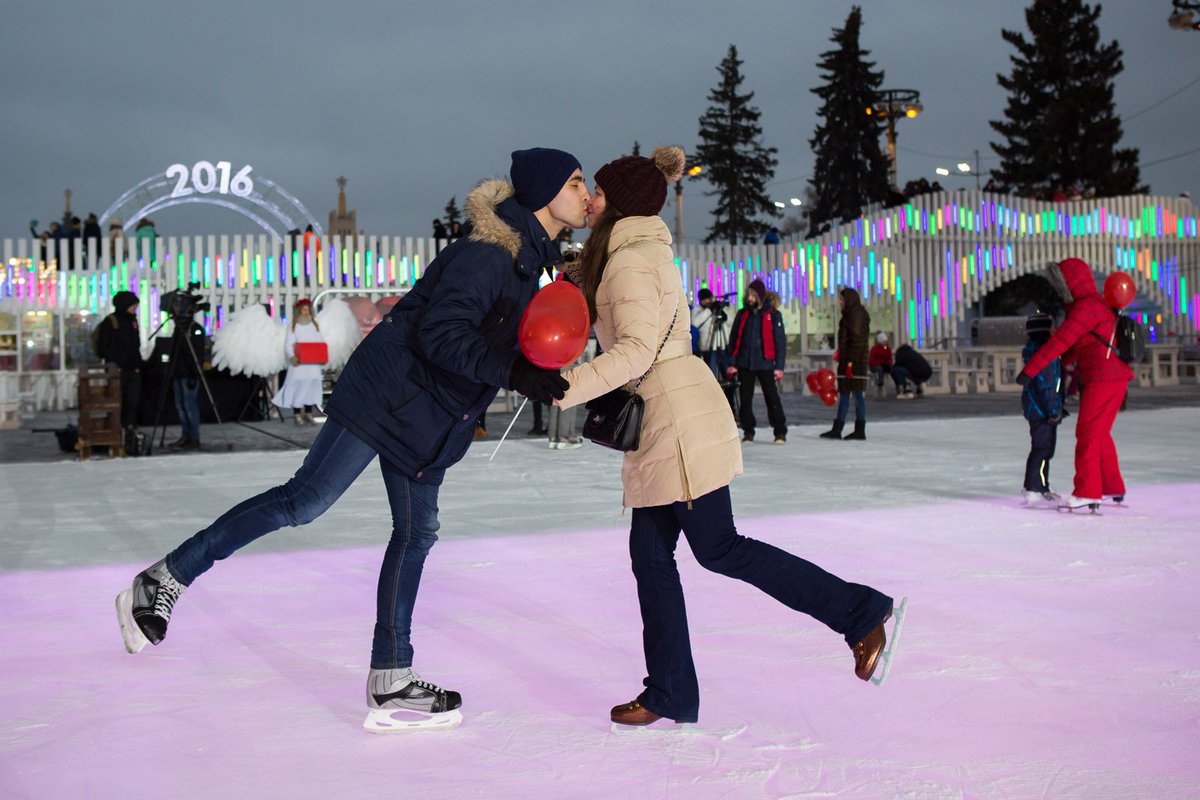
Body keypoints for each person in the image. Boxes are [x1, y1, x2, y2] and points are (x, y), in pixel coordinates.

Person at [114, 148, 588, 733]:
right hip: (388, 394)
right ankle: (165, 576)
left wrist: (530, 364)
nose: (584, 192)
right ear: (543, 192)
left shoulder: (527, 262)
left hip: (430, 413)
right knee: (305, 500)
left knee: (417, 533)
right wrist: (514, 372)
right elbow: (442, 335)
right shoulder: (489, 253)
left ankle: (390, 678)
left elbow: (503, 336)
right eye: (574, 181)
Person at [556, 146, 899, 728]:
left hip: (676, 423)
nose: (589, 199)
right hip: (667, 417)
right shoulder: (629, 252)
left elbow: (637, 348)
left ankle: (858, 612)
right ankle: (670, 691)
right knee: (651, 555)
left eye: (599, 192)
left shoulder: (630, 261)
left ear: (621, 203)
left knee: (719, 548)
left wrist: (563, 387)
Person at [1019, 257, 1133, 511]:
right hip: (1112, 377)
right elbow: (1076, 347)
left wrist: (1030, 370)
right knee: (1100, 433)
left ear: (1070, 283)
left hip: (1104, 378)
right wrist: (1061, 365)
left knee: (1089, 433)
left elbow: (1060, 342)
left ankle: (1088, 491)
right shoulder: (1093, 306)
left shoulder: (1088, 307)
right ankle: (1111, 485)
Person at [725, 278, 787, 444]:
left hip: (765, 363)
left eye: (753, 295)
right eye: (748, 295)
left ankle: (780, 431)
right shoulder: (742, 314)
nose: (749, 298)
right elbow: (734, 340)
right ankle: (748, 431)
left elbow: (780, 342)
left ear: (759, 296)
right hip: (745, 363)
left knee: (771, 398)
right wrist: (732, 362)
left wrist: (779, 366)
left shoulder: (773, 315)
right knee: (745, 399)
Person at [1020, 312, 1063, 507]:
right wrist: (1054, 410)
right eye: (1052, 327)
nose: (1055, 330)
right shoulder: (1047, 355)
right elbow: (1048, 386)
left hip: (1034, 408)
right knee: (1043, 449)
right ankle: (1035, 488)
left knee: (1040, 449)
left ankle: (1038, 486)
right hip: (1043, 411)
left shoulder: (1031, 352)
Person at [820, 287, 870, 440]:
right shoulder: (851, 314)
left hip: (854, 363)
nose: (840, 302)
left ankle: (858, 429)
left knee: (855, 395)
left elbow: (856, 341)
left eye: (842, 299)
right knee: (846, 394)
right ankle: (839, 428)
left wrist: (849, 363)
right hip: (849, 361)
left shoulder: (855, 316)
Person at [95, 290, 143, 444]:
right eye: (132, 305)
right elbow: (103, 347)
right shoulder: (111, 321)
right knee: (116, 404)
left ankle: (129, 434)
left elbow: (136, 345)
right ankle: (115, 436)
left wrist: (137, 365)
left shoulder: (133, 321)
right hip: (117, 371)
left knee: (132, 404)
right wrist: (115, 365)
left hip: (132, 370)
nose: (134, 309)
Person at [271, 298, 326, 425]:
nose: (306, 312)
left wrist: (322, 356)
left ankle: (308, 413)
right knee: (298, 387)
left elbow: (320, 342)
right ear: (299, 311)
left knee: (311, 387)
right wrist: (291, 356)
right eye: (304, 310)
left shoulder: (314, 325)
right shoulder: (293, 326)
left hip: (313, 363)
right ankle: (297, 414)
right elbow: (288, 344)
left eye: (308, 310)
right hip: (299, 363)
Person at [169, 317, 208, 452]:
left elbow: (197, 352)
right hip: (178, 372)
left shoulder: (194, 329)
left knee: (189, 406)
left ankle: (194, 437)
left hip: (189, 374)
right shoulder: (179, 329)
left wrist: (194, 373)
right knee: (181, 407)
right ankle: (186, 436)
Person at [869, 332, 893, 399]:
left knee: (892, 368)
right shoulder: (874, 349)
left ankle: (899, 384)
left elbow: (889, 359)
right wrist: (879, 363)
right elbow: (872, 361)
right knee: (879, 369)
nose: (885, 343)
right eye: (884, 341)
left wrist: (888, 363)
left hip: (884, 365)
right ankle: (880, 384)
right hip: (875, 366)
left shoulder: (887, 349)